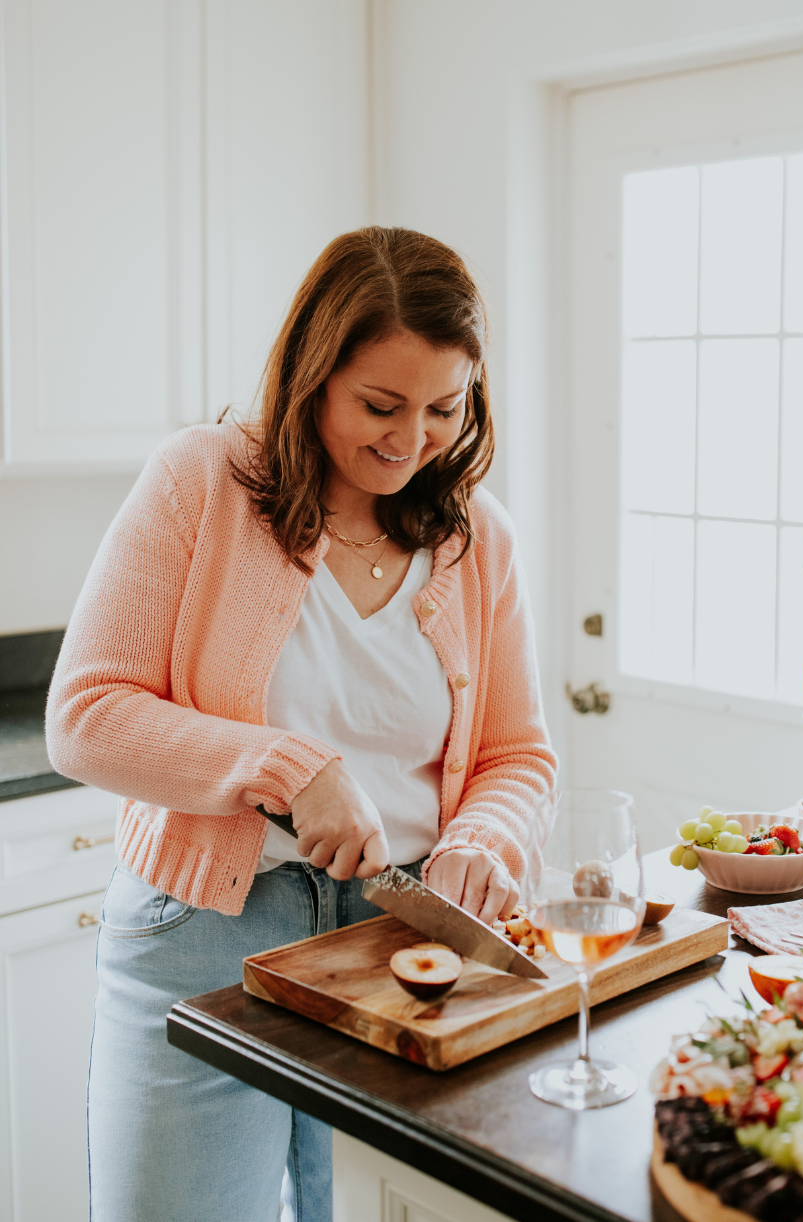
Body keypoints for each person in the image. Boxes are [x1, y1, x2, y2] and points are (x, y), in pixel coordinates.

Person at [45, 227, 557, 1222]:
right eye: (380, 405)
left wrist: (484, 838)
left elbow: (516, 754)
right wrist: (285, 769)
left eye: (445, 408)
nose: (412, 440)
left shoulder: (478, 538)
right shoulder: (202, 481)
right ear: (312, 378)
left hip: (402, 943)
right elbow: (85, 715)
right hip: (203, 934)